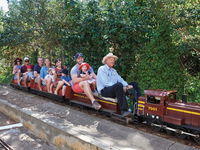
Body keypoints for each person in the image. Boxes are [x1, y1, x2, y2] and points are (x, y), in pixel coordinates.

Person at [97, 53, 141, 117]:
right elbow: (106, 83)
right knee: (118, 85)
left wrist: (126, 85)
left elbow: (120, 79)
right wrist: (122, 87)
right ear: (106, 61)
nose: (113, 61)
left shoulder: (114, 71)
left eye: (113, 59)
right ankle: (124, 110)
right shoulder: (102, 69)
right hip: (104, 91)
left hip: (115, 88)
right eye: (111, 59)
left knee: (134, 84)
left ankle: (138, 108)